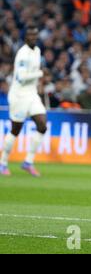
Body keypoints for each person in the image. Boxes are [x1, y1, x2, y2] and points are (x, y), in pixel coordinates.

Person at [0, 24, 47, 177]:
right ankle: (3, 163)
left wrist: (38, 83)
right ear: (25, 37)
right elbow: (20, 78)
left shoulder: (37, 51)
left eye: (35, 35)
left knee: (42, 124)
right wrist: (40, 73)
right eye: (30, 35)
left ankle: (28, 162)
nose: (33, 37)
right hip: (19, 95)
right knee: (16, 129)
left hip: (31, 94)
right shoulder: (22, 54)